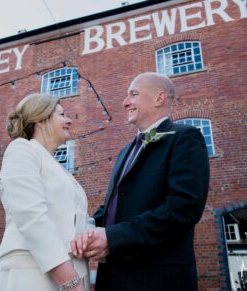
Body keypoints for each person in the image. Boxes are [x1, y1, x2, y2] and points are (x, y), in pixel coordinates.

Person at [72, 72, 210, 291]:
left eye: (133, 95)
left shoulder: (184, 138)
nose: (125, 102)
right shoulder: (125, 151)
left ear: (159, 98)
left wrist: (113, 238)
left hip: (156, 279)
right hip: (112, 278)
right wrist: (87, 229)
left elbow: (184, 208)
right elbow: (114, 207)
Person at [0, 93, 91, 291]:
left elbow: (77, 220)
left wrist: (94, 236)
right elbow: (31, 217)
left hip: (72, 273)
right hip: (32, 273)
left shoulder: (61, 169)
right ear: (40, 118)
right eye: (62, 114)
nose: (69, 120)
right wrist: (72, 283)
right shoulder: (21, 149)